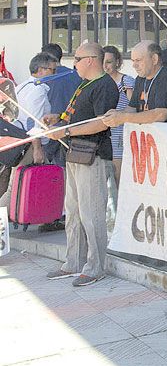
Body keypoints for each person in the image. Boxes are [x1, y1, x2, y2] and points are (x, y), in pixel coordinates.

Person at [42, 42, 119, 287]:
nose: (73, 63)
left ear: (89, 60)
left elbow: (102, 122)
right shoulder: (84, 83)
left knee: (91, 213)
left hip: (93, 154)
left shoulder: (104, 85)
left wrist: (66, 130)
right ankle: (73, 261)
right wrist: (59, 120)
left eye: (76, 58)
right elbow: (76, 113)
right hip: (75, 152)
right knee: (74, 211)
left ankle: (96, 266)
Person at [0, 53, 56, 218]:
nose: (54, 74)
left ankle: (45, 217)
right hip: (29, 144)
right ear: (40, 70)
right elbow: (34, 123)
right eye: (52, 70)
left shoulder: (22, 87)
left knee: (17, 183)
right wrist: (37, 148)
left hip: (18, 140)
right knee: (16, 185)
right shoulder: (37, 90)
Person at [103, 41, 167, 127]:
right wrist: (116, 115)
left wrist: (123, 117)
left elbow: (160, 115)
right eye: (133, 61)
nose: (134, 65)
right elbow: (132, 108)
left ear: (154, 59)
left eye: (138, 60)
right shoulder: (140, 79)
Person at [101, 46, 135, 182]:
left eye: (109, 62)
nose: (105, 66)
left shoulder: (126, 81)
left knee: (118, 173)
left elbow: (133, 106)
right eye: (103, 62)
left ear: (117, 62)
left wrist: (119, 114)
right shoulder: (100, 82)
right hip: (105, 131)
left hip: (120, 131)